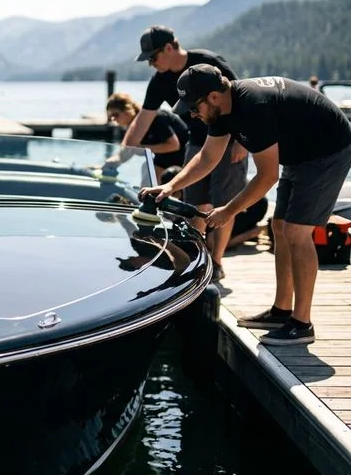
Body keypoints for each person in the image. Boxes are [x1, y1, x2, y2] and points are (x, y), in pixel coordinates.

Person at [140, 64, 351, 345]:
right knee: (279, 227)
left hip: (328, 151)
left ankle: (302, 324)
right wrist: (170, 186)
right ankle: (282, 310)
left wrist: (228, 211)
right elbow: (207, 158)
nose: (192, 114)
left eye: (194, 107)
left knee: (297, 233)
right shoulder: (222, 110)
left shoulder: (252, 107)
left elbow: (267, 176)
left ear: (213, 96)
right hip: (299, 154)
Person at [125, 25, 248, 282]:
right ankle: (198, 258)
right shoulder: (160, 81)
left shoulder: (208, 63)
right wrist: (119, 155)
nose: (150, 64)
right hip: (198, 141)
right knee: (194, 202)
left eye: (152, 57)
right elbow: (142, 121)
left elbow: (239, 98)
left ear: (169, 48)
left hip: (228, 138)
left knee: (223, 200)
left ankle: (217, 261)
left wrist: (243, 142)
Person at [160, 166, 268, 248]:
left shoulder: (195, 191)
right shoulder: (192, 183)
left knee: (212, 241)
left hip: (253, 206)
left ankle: (257, 231)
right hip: (239, 201)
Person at [103, 92, 187, 182]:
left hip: (183, 157)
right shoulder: (132, 126)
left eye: (115, 115)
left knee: (149, 171)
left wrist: (142, 148)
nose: (113, 119)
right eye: (110, 117)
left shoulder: (155, 118)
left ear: (127, 110)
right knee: (147, 170)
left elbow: (174, 145)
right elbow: (126, 150)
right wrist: (108, 164)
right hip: (164, 158)